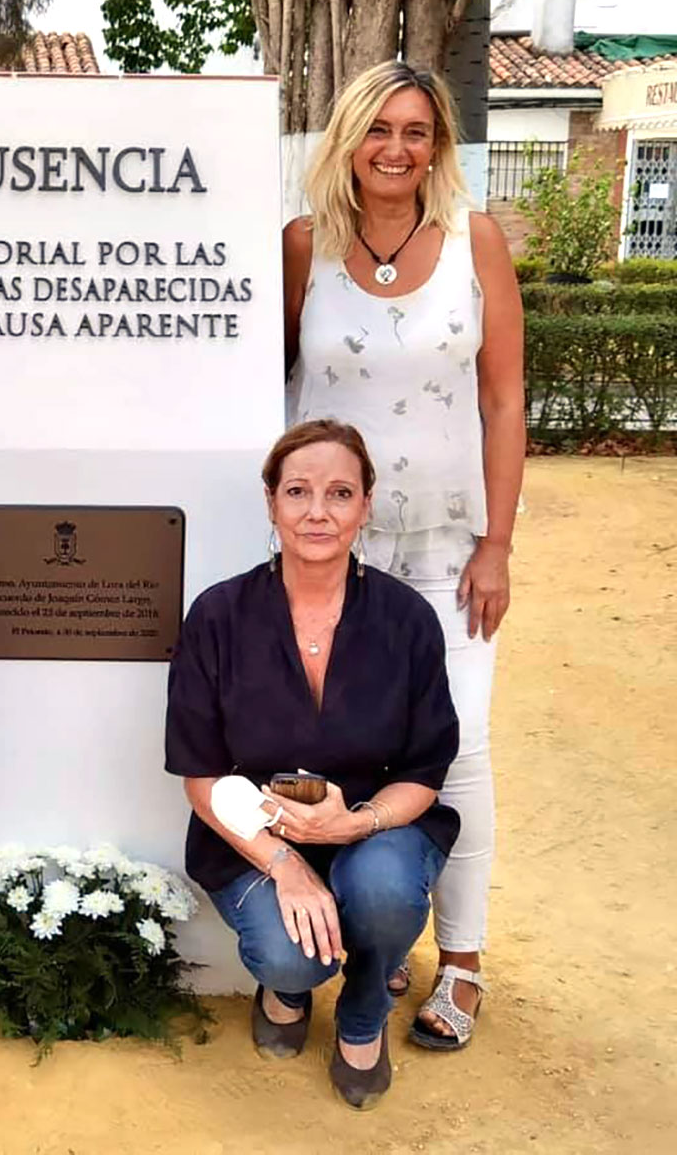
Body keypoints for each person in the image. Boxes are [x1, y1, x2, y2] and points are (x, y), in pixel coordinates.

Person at [282, 60, 525, 1050]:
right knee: (330, 748)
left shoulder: (475, 243)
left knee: (456, 747)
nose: (395, 148)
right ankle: (328, 945)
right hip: (327, 557)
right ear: (347, 138)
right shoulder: (303, 248)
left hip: (443, 548)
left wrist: (498, 542)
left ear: (439, 146)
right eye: (379, 128)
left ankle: (460, 958)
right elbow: (262, 394)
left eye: (417, 131)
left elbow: (503, 399)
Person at [165, 420, 460, 1110]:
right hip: (253, 840)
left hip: (378, 827)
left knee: (386, 894)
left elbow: (425, 772)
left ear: (365, 504)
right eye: (298, 491)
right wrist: (286, 863)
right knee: (293, 952)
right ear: (271, 502)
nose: (318, 511)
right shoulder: (218, 615)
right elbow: (201, 775)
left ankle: (364, 1005)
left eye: (339, 492)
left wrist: (354, 826)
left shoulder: (407, 620)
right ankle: (288, 987)